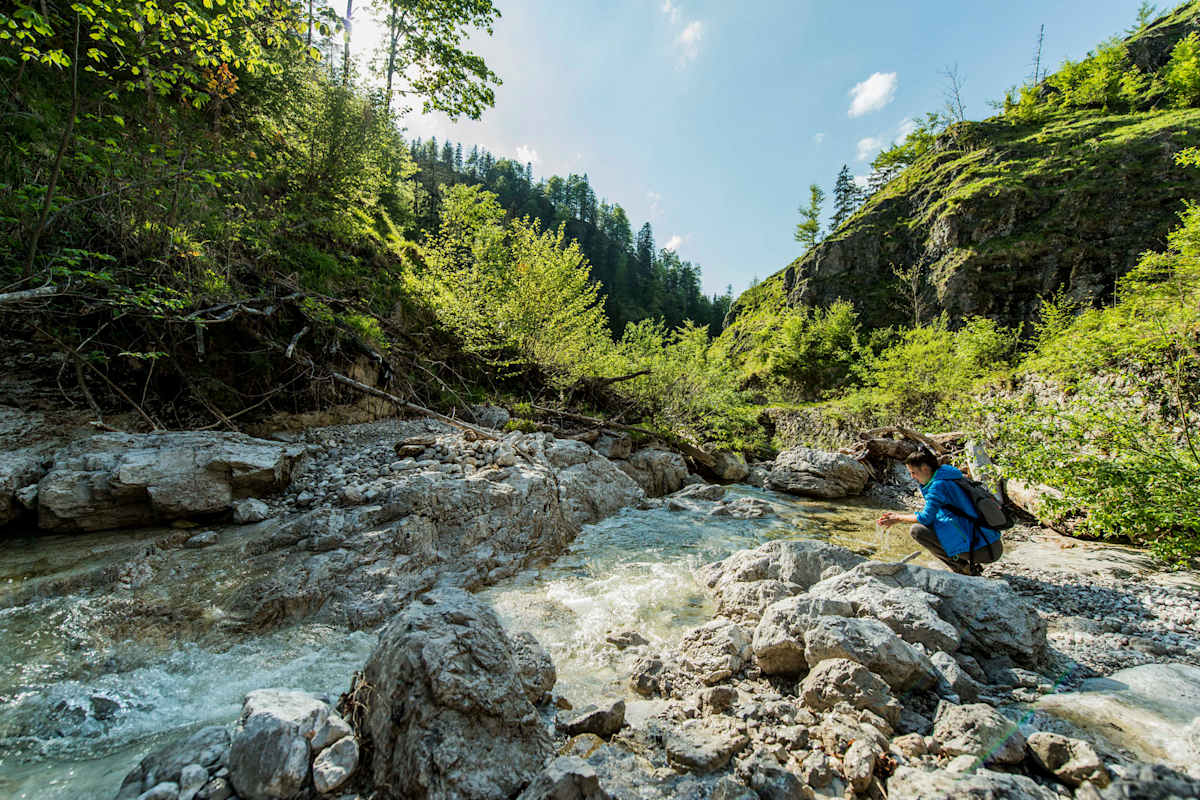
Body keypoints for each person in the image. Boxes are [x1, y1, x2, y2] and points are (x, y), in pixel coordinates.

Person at [876, 448, 1003, 576]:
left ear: (925, 468)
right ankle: (967, 565)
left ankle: (963, 568)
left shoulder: (939, 486)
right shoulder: (949, 475)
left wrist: (898, 518)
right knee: (933, 525)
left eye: (913, 472)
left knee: (918, 531)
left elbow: (925, 518)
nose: (912, 477)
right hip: (992, 543)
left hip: (984, 550)